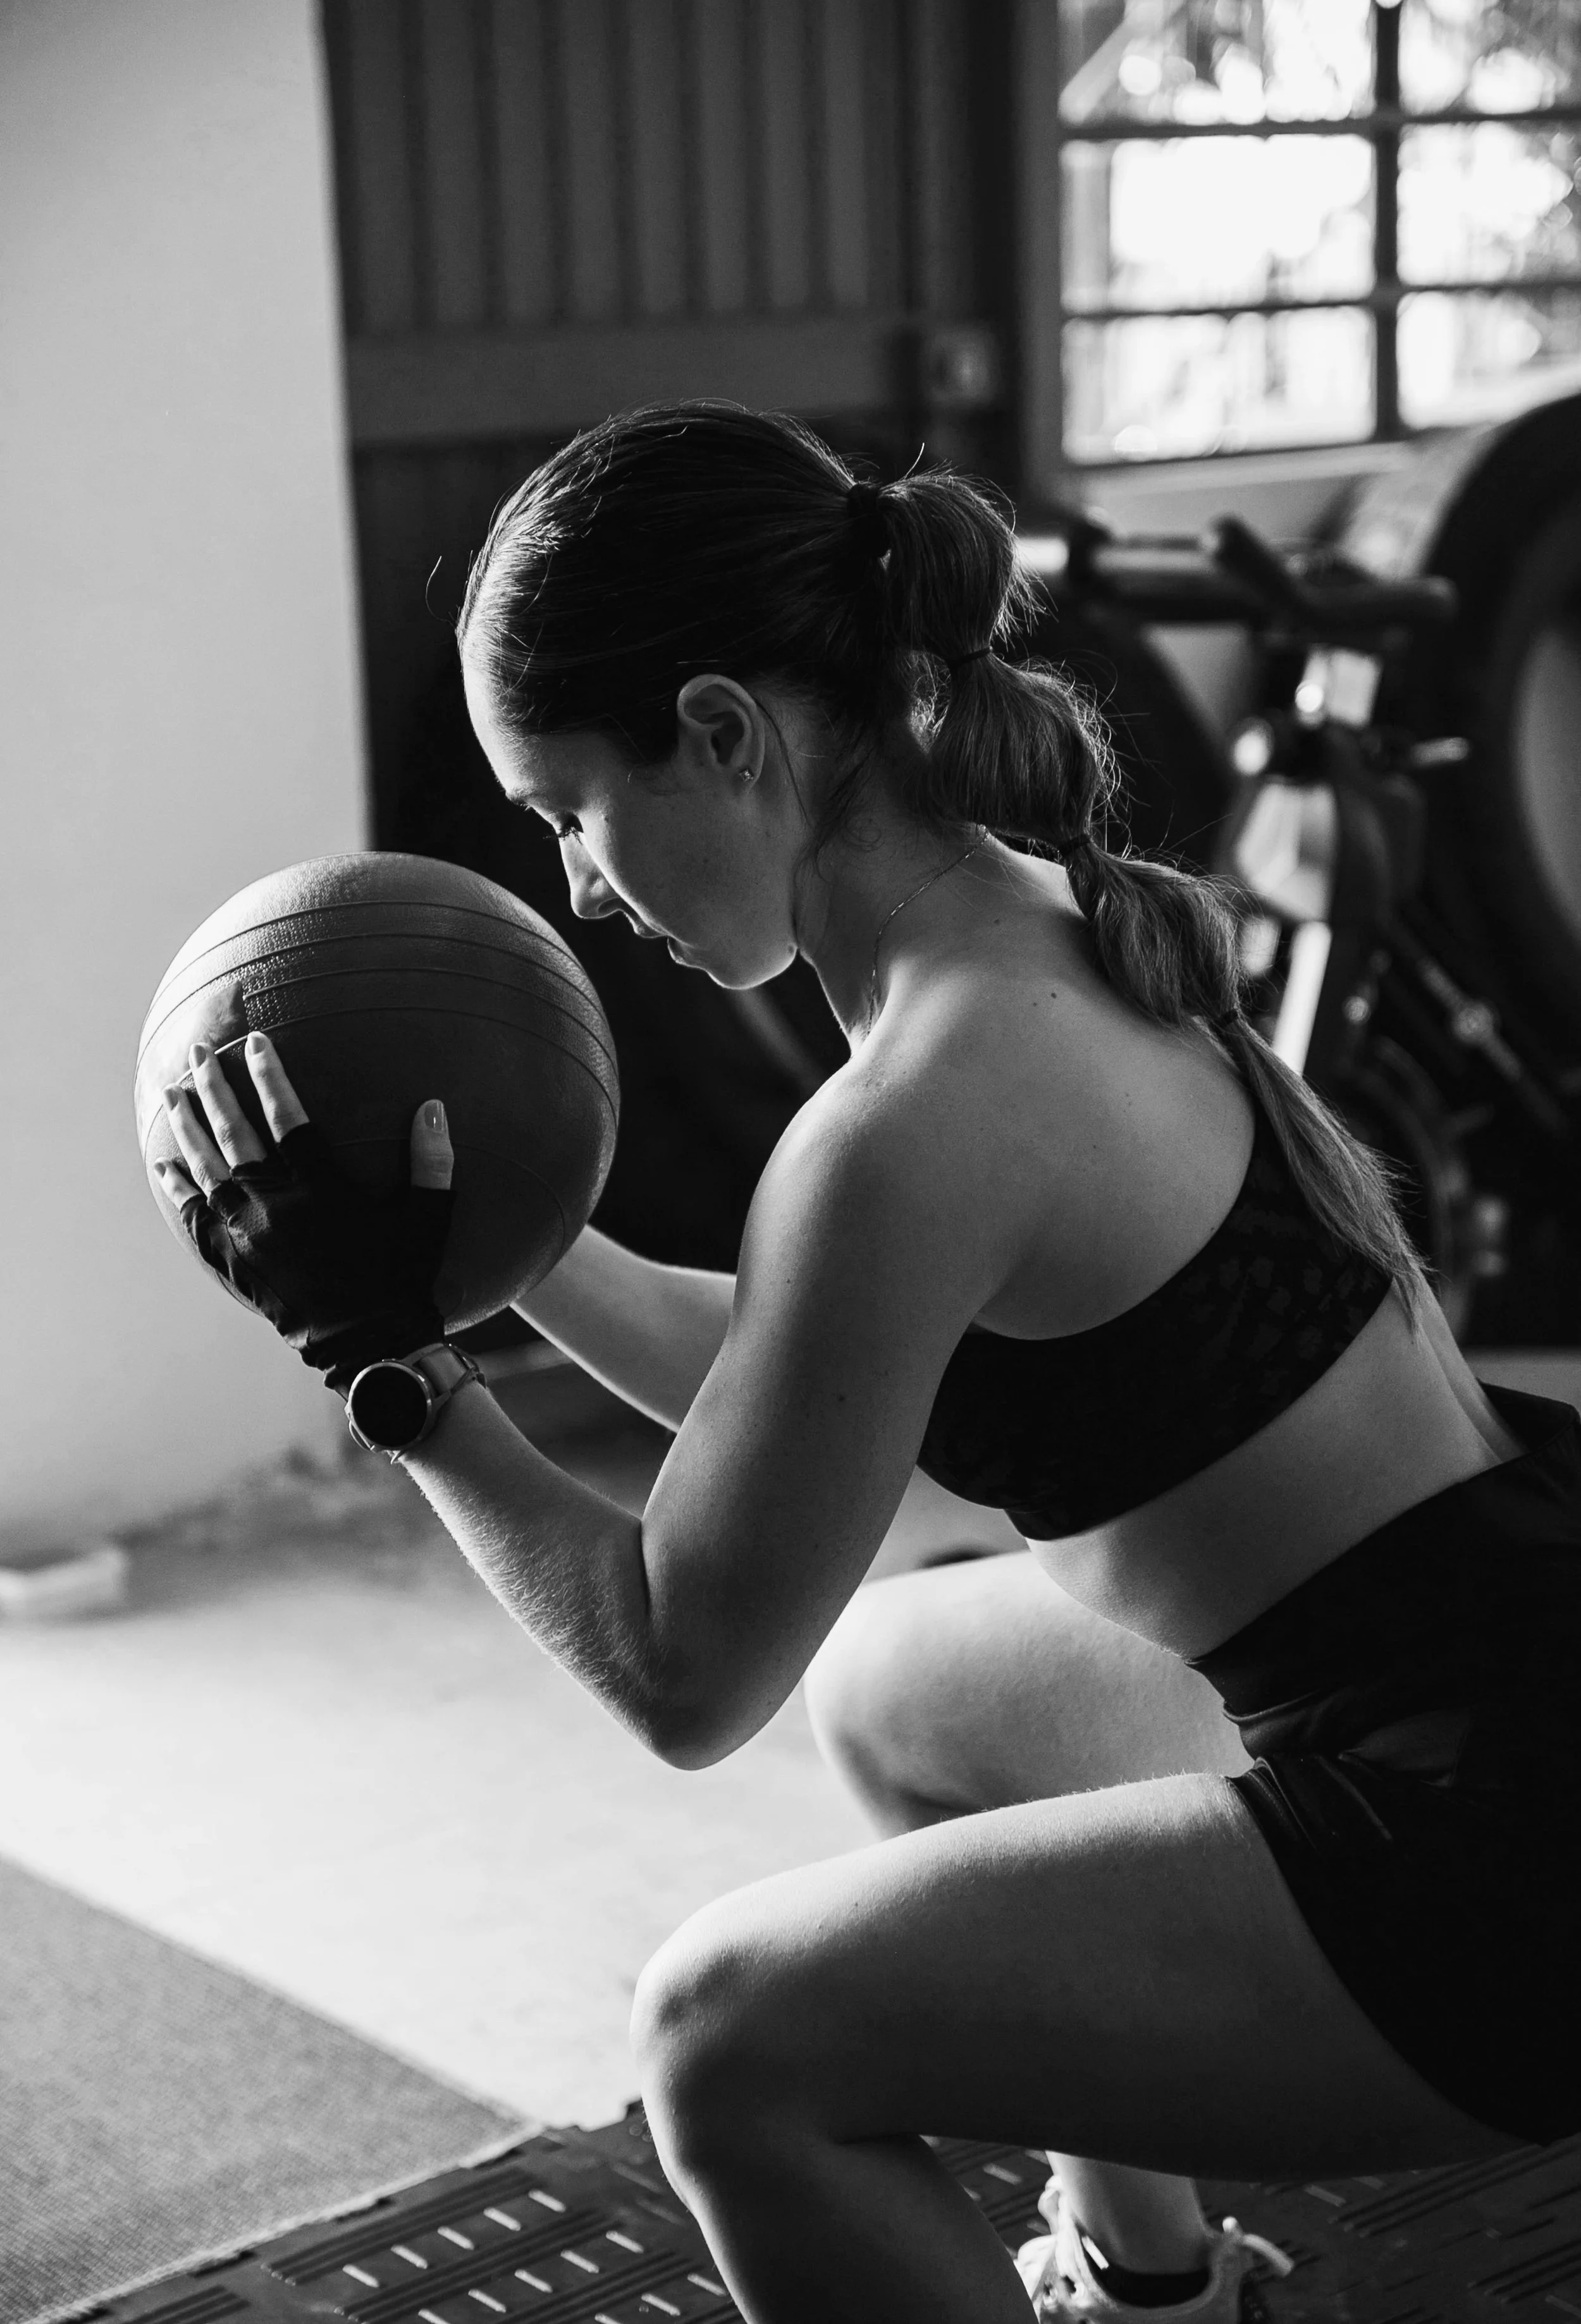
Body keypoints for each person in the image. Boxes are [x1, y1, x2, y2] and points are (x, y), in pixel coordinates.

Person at [156, 404, 1581, 2324]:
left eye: (571, 809)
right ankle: (1154, 2285)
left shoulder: (911, 1119)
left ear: (723, 732)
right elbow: (801, 1374)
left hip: (1497, 1844)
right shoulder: (1044, 920)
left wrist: (384, 1364)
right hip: (1508, 1630)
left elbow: (679, 1673)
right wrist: (504, 1236)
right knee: (903, 1682)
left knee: (725, 2041)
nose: (580, 888)